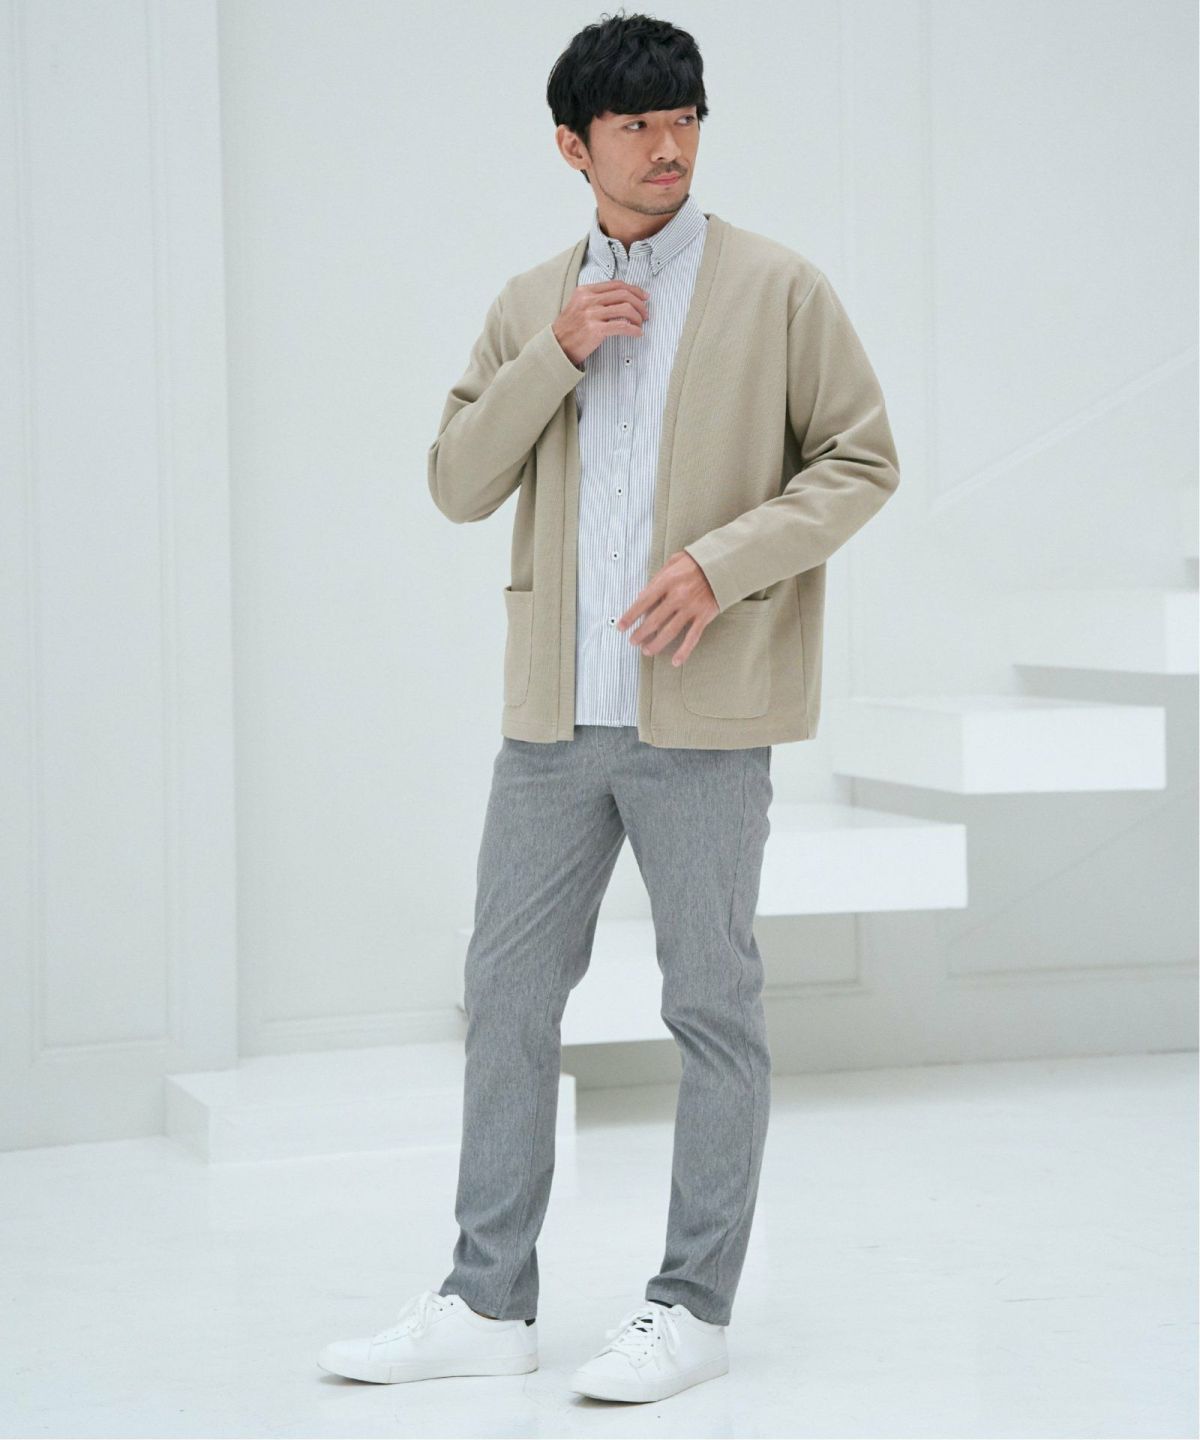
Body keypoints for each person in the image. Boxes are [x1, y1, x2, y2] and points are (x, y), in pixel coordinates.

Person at [319, 9, 900, 1405]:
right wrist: (557, 353)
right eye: (636, 124)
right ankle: (486, 1302)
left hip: (705, 718)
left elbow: (861, 461)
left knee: (712, 1005)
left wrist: (721, 562)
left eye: (684, 117)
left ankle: (691, 1307)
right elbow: (457, 482)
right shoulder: (534, 300)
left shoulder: (779, 289)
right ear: (573, 147)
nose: (667, 145)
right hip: (551, 725)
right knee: (508, 996)